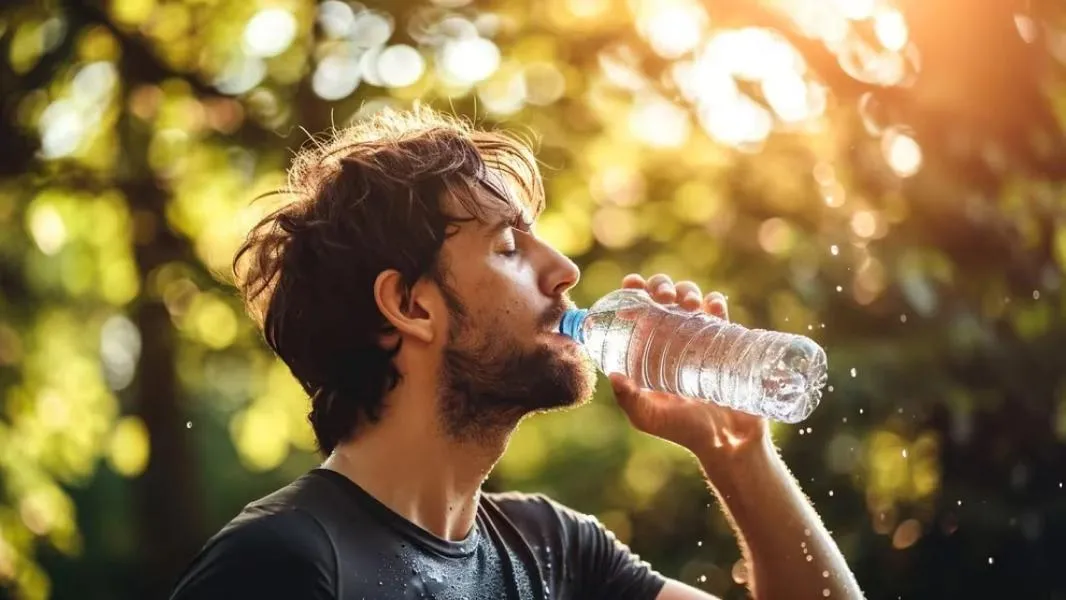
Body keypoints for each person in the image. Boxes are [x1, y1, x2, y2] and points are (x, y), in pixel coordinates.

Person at [169, 106, 864, 600]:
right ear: (411, 306)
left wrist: (738, 456)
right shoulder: (282, 565)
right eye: (508, 247)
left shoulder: (555, 552)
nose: (563, 268)